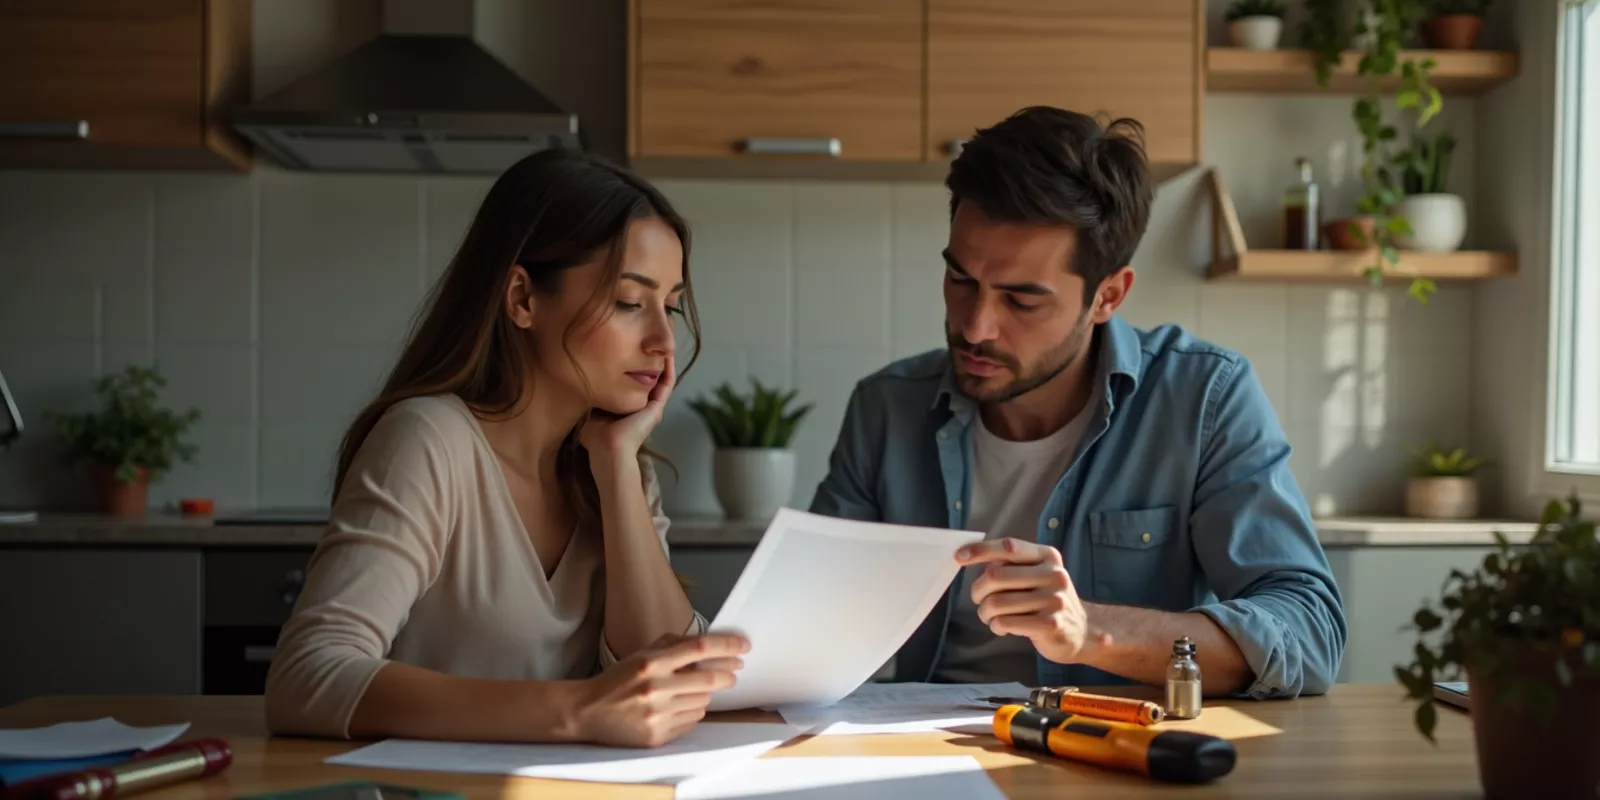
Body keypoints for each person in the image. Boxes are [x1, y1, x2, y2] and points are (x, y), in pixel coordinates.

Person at [810, 106, 1347, 699]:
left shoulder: (1203, 400)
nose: (976, 326)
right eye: (961, 281)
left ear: (1107, 296)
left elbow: (1309, 631)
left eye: (1021, 300)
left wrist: (1091, 631)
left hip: (1111, 755)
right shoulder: (885, 408)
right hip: (920, 754)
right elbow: (810, 622)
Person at [264, 149, 749, 747]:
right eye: (630, 302)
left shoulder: (614, 461)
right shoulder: (429, 439)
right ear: (522, 298)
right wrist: (576, 710)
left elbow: (666, 672)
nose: (663, 340)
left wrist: (618, 465)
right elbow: (306, 676)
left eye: (670, 306)